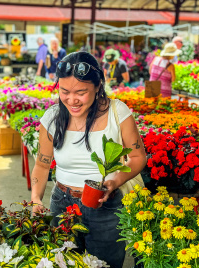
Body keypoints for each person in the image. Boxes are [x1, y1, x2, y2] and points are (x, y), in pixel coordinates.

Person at [30, 52, 147, 267]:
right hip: (62, 204)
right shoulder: (52, 117)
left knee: (105, 263)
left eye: (81, 92)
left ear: (97, 86)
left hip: (106, 204)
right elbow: (41, 164)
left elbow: (138, 156)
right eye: (64, 91)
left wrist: (114, 182)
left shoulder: (117, 112)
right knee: (64, 262)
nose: (71, 100)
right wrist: (36, 198)